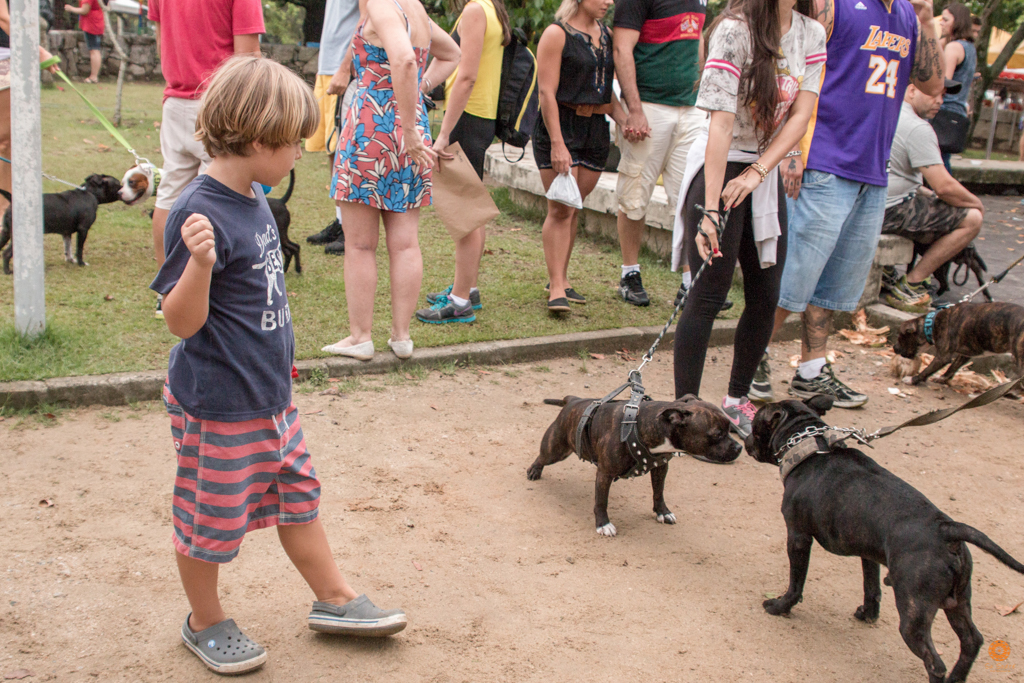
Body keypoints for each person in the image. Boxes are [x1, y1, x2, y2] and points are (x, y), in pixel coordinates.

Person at [151, 56, 408, 677]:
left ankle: (335, 598)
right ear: (259, 138)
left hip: (269, 397)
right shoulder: (199, 214)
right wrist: (201, 267)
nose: (299, 151)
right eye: (294, 140)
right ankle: (204, 620)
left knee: (299, 500)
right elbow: (180, 322)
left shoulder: (254, 194)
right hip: (219, 403)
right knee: (208, 517)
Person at [750, 0, 945, 409]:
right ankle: (754, 357)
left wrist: (926, 21)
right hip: (823, 160)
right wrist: (790, 152)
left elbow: (929, 82)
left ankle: (811, 370)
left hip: (873, 169)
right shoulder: (834, 5)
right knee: (794, 281)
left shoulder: (908, 16)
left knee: (834, 287)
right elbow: (792, 70)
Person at [671, 0, 824, 439]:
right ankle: (687, 412)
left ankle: (737, 400)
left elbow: (800, 115)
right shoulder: (734, 31)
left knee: (766, 292)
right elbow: (720, 126)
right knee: (709, 291)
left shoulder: (810, 33)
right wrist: (713, 210)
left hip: (762, 168)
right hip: (716, 164)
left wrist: (759, 173)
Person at [321, 0, 460, 359]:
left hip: (373, 127)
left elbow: (405, 59)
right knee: (405, 243)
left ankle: (360, 336)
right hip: (406, 130)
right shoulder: (414, 8)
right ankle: (401, 336)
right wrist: (414, 102)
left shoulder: (383, 6)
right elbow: (451, 53)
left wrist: (410, 125)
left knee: (360, 245)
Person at [148, 0, 265, 319]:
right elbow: (248, 58)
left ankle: (169, 291)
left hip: (176, 99)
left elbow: (162, 40)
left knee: (170, 195)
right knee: (224, 197)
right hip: (220, 101)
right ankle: (215, 292)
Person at [415, 0, 511, 325]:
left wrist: (442, 135)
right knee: (472, 212)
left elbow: (466, 76)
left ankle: (459, 302)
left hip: (466, 118)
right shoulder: (491, 8)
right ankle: (467, 289)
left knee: (464, 215)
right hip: (480, 119)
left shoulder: (474, 10)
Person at [611, 0, 706, 307]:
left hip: (690, 108)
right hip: (649, 105)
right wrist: (634, 109)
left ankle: (691, 282)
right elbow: (621, 48)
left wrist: (703, 94)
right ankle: (629, 273)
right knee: (635, 191)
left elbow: (698, 37)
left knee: (690, 196)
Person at [534, 0, 624, 313]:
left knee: (573, 206)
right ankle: (556, 286)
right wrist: (558, 143)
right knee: (560, 207)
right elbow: (546, 92)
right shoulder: (556, 34)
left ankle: (561, 278)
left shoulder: (607, 35)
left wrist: (626, 119)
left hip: (595, 129)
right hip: (560, 125)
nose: (609, 2)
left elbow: (605, 87)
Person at [882, 81, 983, 311]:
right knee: (971, 218)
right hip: (890, 209)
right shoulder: (918, 127)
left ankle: (888, 272)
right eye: (934, 94)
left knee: (930, 202)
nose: (940, 101)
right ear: (911, 90)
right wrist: (977, 204)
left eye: (943, 95)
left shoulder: (888, 111)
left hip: (874, 200)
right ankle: (912, 284)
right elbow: (944, 186)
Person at [305, 0, 361, 254]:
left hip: (346, 69)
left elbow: (368, 17)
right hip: (327, 66)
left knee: (345, 151)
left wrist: (345, 66)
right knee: (332, 149)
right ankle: (341, 222)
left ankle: (354, 230)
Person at [0, 0, 60, 217]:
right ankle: (4, 211)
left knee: (8, 143)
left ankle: (5, 209)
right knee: (6, 140)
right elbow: (3, 17)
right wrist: (36, 49)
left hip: (11, 52)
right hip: (5, 55)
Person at [935, 2, 975, 173]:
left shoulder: (954, 47)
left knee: (938, 163)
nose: (941, 23)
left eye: (945, 19)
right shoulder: (969, 48)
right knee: (943, 161)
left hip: (943, 110)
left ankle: (947, 198)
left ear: (957, 21)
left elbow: (944, 83)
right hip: (957, 111)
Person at [63, 0, 103, 83]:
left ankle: (93, 77)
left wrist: (71, 8)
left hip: (92, 24)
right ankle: (94, 76)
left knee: (94, 50)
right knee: (95, 49)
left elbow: (85, 10)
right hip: (97, 21)